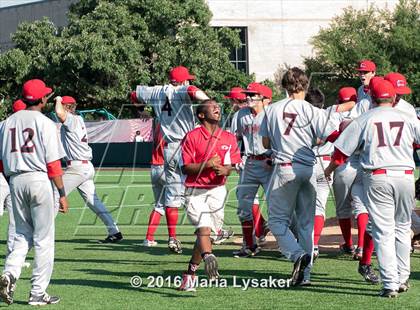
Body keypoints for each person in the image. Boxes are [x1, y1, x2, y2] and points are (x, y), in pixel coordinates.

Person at [325, 79, 419, 298]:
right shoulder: (408, 117)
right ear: (394, 97)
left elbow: (340, 154)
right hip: (405, 176)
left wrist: (328, 170)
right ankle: (403, 277)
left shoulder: (365, 118)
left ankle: (390, 284)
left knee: (384, 231)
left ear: (372, 99)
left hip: (378, 177)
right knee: (403, 228)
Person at [259, 68, 337, 286]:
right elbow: (329, 135)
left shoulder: (272, 109)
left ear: (284, 86)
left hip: (284, 167)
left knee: (276, 221)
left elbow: (265, 143)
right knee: (306, 224)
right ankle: (306, 274)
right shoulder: (313, 110)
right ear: (305, 85)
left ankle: (297, 255)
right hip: (309, 168)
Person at [0, 79, 69, 305]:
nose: (47, 98)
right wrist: (62, 192)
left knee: (21, 235)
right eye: (46, 96)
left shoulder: (6, 123)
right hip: (39, 180)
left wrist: (11, 179)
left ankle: (10, 274)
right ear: (41, 99)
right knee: (43, 239)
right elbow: (53, 164)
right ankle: (37, 293)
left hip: (15, 180)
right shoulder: (45, 123)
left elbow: (1, 162)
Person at [131, 66, 209, 253]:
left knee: (173, 197)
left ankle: (173, 237)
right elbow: (193, 91)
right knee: (202, 187)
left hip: (169, 149)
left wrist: (140, 108)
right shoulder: (181, 89)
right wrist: (209, 101)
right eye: (187, 79)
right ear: (182, 81)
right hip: (185, 146)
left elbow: (134, 94)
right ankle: (213, 230)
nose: (190, 81)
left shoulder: (157, 90)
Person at [178, 99, 241, 291]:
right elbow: (185, 167)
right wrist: (207, 164)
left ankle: (190, 273)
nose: (217, 108)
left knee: (206, 234)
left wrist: (226, 170)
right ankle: (208, 256)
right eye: (211, 106)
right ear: (201, 115)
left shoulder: (228, 137)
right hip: (194, 190)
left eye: (218, 106)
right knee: (203, 229)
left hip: (217, 190)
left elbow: (231, 164)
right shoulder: (191, 137)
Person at [55, 95, 122, 243]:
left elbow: (59, 113)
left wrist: (58, 99)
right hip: (84, 166)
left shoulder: (71, 119)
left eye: (63, 105)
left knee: (53, 195)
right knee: (94, 201)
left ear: (67, 107)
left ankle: (41, 234)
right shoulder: (76, 119)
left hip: (77, 167)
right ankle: (114, 231)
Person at [232, 82, 273, 257]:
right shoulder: (241, 114)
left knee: (280, 207)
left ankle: (292, 245)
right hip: (249, 163)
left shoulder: (272, 115)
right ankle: (250, 245)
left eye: (253, 95)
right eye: (247, 94)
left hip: (270, 164)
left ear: (266, 100)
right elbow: (235, 139)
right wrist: (236, 159)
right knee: (243, 206)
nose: (248, 97)